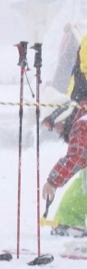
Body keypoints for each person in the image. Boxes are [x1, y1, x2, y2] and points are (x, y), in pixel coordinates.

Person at [41, 101, 87, 237]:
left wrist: (53, 182)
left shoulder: (82, 122)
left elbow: (78, 156)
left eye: (53, 124)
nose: (55, 130)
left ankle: (70, 221)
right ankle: (69, 219)